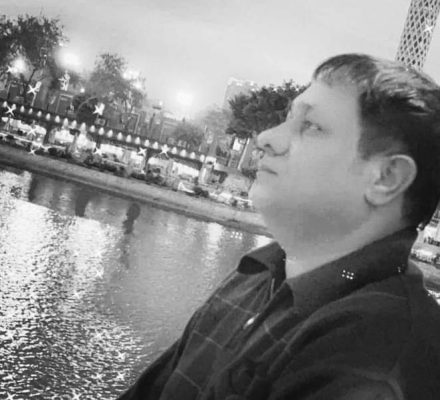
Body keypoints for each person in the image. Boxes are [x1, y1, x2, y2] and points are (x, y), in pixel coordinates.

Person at [118, 54, 440, 399]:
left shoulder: (378, 359)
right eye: (289, 118)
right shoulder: (257, 274)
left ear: (386, 177)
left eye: (312, 126)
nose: (266, 137)